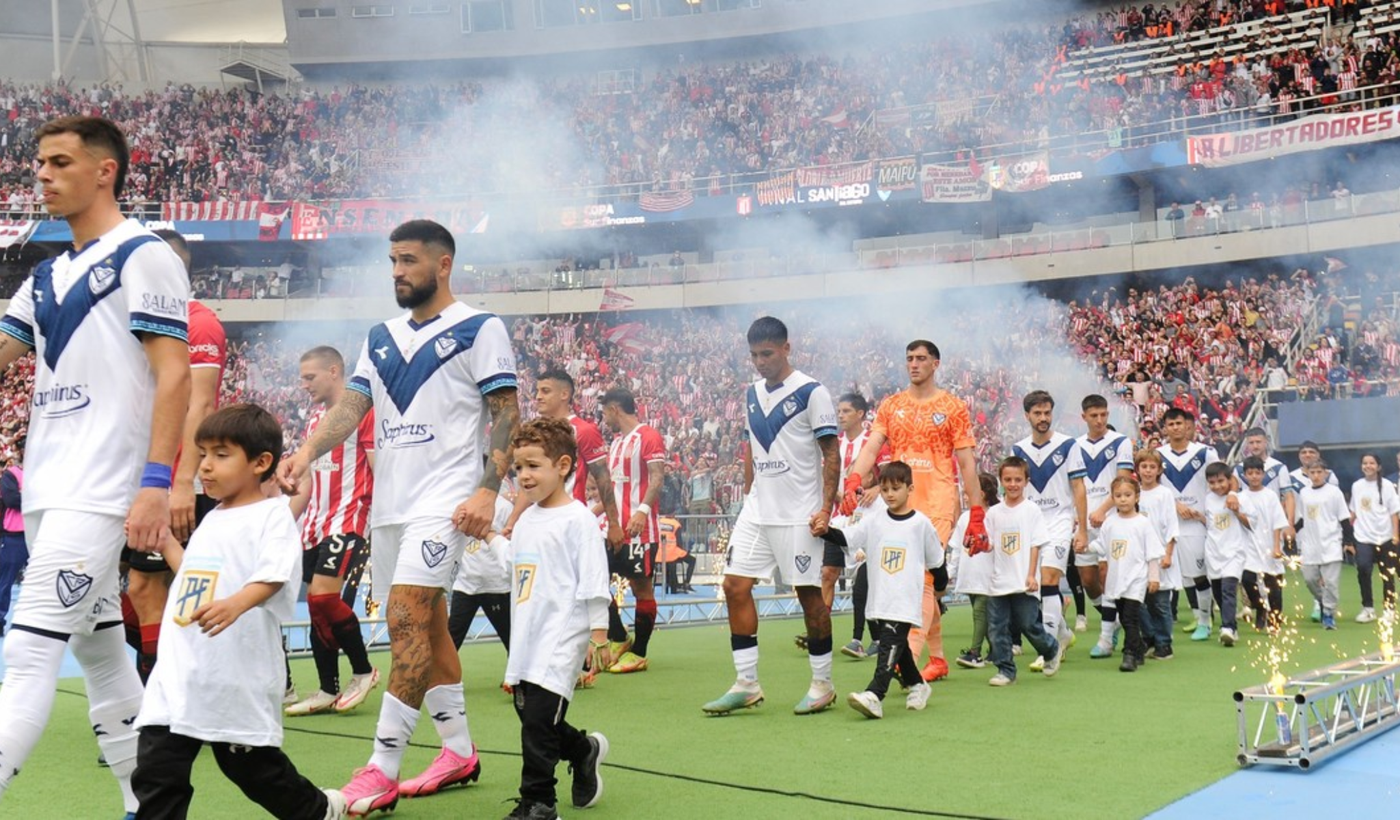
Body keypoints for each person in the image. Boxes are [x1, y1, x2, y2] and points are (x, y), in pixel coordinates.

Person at [278, 219, 520, 813]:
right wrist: (306, 452)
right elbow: (352, 407)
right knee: (428, 625)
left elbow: (506, 415)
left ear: (443, 264)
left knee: (405, 616)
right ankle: (458, 751)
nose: (397, 272)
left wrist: (488, 490)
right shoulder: (380, 335)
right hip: (391, 506)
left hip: (447, 500)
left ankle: (382, 768)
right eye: (392, 261)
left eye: (408, 260)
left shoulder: (479, 327)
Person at [0, 115, 192, 816]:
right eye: (39, 163)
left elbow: (174, 374)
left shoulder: (144, 254)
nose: (42, 175)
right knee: (104, 655)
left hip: (103, 489)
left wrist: (155, 482)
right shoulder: (47, 274)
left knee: (27, 654)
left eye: (59, 162)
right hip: (50, 491)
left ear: (105, 171)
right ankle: (148, 805)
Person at [132, 404, 347, 820]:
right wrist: (166, 544)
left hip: (233, 675)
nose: (205, 466)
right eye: (202, 454)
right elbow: (195, 576)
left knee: (256, 772)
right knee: (157, 771)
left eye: (221, 455)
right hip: (180, 673)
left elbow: (275, 576)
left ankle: (319, 810)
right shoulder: (213, 517)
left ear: (261, 462)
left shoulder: (272, 516)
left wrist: (236, 603)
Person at [701, 317, 840, 716]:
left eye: (767, 354)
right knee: (734, 586)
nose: (760, 362)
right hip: (758, 511)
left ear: (786, 349)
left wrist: (825, 508)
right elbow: (752, 448)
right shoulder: (751, 393)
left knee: (809, 597)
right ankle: (746, 683)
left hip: (799, 514)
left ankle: (823, 684)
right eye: (754, 356)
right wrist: (749, 495)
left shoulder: (812, 392)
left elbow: (831, 453)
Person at [481, 418, 611, 820]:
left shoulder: (578, 520)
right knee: (531, 714)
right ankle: (583, 750)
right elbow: (514, 564)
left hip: (560, 637)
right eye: (519, 467)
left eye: (533, 465)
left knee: (537, 721)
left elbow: (594, 579)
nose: (524, 475)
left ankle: (539, 803)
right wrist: (488, 536)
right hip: (527, 636)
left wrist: (599, 633)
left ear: (563, 465)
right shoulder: (527, 520)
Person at [842, 340, 985, 683]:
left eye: (921, 358)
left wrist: (977, 513)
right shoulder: (892, 405)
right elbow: (872, 447)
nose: (914, 364)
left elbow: (967, 464)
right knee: (918, 580)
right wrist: (853, 480)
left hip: (938, 503)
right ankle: (937, 659)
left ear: (936, 363)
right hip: (900, 502)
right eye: (909, 358)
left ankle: (900, 662)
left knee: (921, 578)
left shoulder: (953, 407)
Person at [123, 228, 226, 685]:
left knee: (148, 587)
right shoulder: (140, 320)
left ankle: (162, 701)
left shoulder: (198, 322)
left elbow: (199, 404)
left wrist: (181, 482)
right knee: (129, 593)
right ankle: (177, 685)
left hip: (174, 479)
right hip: (142, 478)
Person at [283, 346, 379, 717]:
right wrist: (284, 521)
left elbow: (379, 469)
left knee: (323, 598)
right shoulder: (314, 423)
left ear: (334, 371)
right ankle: (327, 688)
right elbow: (307, 481)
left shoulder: (363, 413)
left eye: (310, 377)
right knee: (315, 606)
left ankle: (364, 670)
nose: (304, 385)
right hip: (315, 524)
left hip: (349, 518)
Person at [814, 462, 940, 719]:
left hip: (905, 598)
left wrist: (941, 585)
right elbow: (848, 537)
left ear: (910, 489)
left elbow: (937, 561)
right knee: (897, 644)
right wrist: (825, 531)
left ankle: (875, 694)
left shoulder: (921, 524)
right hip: (880, 596)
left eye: (896, 488)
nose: (890, 494)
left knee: (889, 643)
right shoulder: (875, 520)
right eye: (885, 489)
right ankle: (917, 684)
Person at [529, 370, 624, 657]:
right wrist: (513, 521)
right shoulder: (535, 431)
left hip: (570, 524)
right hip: (539, 524)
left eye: (545, 391)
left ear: (565, 394)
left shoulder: (583, 430)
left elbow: (603, 478)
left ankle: (597, 645)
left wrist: (614, 523)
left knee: (579, 587)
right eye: (537, 391)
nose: (538, 396)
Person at [1011, 390, 1087, 668]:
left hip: (1059, 520)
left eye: (1047, 413)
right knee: (1034, 586)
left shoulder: (1068, 445)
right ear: (1027, 416)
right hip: (1030, 523)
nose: (1043, 418)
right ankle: (1063, 634)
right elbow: (1014, 491)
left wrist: (1082, 529)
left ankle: (1049, 648)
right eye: (1037, 413)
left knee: (1049, 579)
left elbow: (1079, 487)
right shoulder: (1018, 450)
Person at [600, 386, 666, 674]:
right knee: (595, 583)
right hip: (612, 529)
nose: (604, 420)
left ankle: (639, 652)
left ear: (615, 410)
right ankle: (618, 637)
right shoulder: (616, 443)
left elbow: (657, 477)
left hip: (641, 530)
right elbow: (614, 489)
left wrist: (642, 511)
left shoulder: (648, 436)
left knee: (641, 588)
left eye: (605, 414)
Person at [984, 456, 1061, 686]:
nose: (1013, 484)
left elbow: (1035, 544)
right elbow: (988, 543)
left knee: (1028, 624)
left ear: (1026, 481)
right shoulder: (993, 513)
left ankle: (1051, 649)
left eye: (1018, 479)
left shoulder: (1031, 510)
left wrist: (1031, 575)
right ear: (1001, 481)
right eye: (1008, 479)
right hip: (998, 582)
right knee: (997, 628)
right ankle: (1006, 670)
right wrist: (977, 543)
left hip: (1023, 581)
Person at [826, 392, 887, 659]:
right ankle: (820, 630)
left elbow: (888, 475)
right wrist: (836, 497)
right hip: (839, 520)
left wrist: (876, 489)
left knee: (865, 585)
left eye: (846, 411)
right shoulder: (834, 443)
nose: (840, 415)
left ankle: (873, 638)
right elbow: (826, 476)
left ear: (860, 414)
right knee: (828, 574)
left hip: (866, 520)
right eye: (838, 411)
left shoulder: (874, 440)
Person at [1075, 394, 1135, 659]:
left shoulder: (1121, 442)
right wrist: (1078, 516)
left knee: (1105, 576)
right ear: (1084, 417)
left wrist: (1102, 510)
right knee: (1088, 581)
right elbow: (1073, 485)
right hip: (1083, 522)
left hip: (1111, 519)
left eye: (1103, 415)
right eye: (1094, 416)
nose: (1099, 420)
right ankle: (1115, 619)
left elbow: (1123, 481)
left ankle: (1106, 638)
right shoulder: (1074, 446)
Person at [1156, 408, 1220, 641]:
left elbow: (1220, 481)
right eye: (1170, 424)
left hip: (1196, 524)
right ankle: (1162, 626)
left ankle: (1205, 621)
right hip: (1166, 524)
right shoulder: (1157, 454)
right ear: (1165, 428)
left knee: (1199, 576)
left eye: (1179, 423)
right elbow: (1152, 486)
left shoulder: (1205, 453)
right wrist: (1175, 505)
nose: (1175, 428)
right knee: (1164, 577)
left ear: (1187, 426)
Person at [1099, 476, 1164, 672]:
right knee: (1123, 615)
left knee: (1130, 617)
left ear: (1137, 497)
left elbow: (1152, 553)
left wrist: (1154, 577)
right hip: (1117, 579)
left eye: (1127, 495)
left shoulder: (1142, 523)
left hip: (1136, 579)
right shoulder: (1110, 523)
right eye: (1118, 495)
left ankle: (1129, 655)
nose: (1123, 499)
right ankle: (1139, 648)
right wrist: (1085, 547)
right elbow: (1102, 545)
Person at [448, 487, 514, 653]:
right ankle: (440, 671)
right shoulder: (458, 503)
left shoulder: (505, 506)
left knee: (512, 641)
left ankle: (518, 672)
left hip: (497, 585)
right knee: (450, 642)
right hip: (465, 584)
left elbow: (509, 541)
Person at [1203, 462, 1255, 647]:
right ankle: (1231, 624)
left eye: (1221, 481)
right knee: (1218, 592)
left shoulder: (1241, 498)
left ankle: (1227, 628)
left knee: (1228, 589)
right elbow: (1210, 523)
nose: (1217, 486)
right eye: (1212, 482)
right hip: (1213, 552)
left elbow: (1252, 524)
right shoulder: (1208, 499)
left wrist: (1237, 511)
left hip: (1234, 552)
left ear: (1229, 480)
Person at [953, 473, 1002, 669]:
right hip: (969, 575)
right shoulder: (965, 518)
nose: (965, 497)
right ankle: (997, 650)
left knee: (980, 613)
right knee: (983, 615)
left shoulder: (995, 516)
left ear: (981, 494)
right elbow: (957, 548)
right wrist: (950, 571)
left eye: (969, 493)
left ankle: (975, 653)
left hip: (988, 575)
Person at [1135, 450, 1179, 661]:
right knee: (1140, 601)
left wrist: (1168, 554)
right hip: (1138, 557)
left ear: (1159, 470)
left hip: (1160, 555)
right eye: (1144, 466)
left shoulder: (1165, 494)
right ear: (1137, 469)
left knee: (1160, 603)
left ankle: (1164, 644)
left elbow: (1171, 525)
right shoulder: (1134, 493)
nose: (1148, 471)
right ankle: (1149, 637)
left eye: (1152, 467)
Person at [1297, 461, 1352, 630]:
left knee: (1331, 583)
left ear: (1325, 473)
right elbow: (1302, 519)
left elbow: (1344, 518)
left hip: (1331, 543)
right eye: (1312, 472)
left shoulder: (1334, 492)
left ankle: (1328, 613)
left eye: (1319, 472)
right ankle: (1322, 601)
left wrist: (1348, 541)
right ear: (1308, 474)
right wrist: (1291, 531)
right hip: (1310, 545)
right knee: (1309, 579)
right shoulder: (1304, 493)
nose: (1316, 475)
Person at [1348, 453, 1399, 624]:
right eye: (1365, 463)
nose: (1368, 466)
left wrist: (1395, 535)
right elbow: (1354, 511)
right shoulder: (1356, 486)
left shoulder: (1387, 485)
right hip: (1363, 537)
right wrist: (1346, 531)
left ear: (1378, 466)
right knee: (1363, 569)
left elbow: (1394, 512)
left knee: (1387, 573)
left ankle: (1389, 609)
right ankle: (1368, 608)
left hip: (1385, 537)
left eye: (1371, 463)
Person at [1238, 456, 1288, 633]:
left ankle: (1275, 621)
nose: (1254, 476)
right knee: (1247, 579)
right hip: (1250, 546)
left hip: (1269, 544)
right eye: (1250, 473)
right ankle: (1260, 607)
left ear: (1263, 474)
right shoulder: (1241, 497)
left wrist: (1277, 547)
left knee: (1273, 585)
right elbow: (1243, 521)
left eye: (1257, 473)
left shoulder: (1270, 496)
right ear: (1244, 475)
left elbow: (1277, 522)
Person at [0, 447, 25, 634]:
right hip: (15, 534)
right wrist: (38, 498)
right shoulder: (11, 474)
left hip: (42, 534)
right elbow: (11, 500)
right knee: (5, 581)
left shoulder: (47, 473)